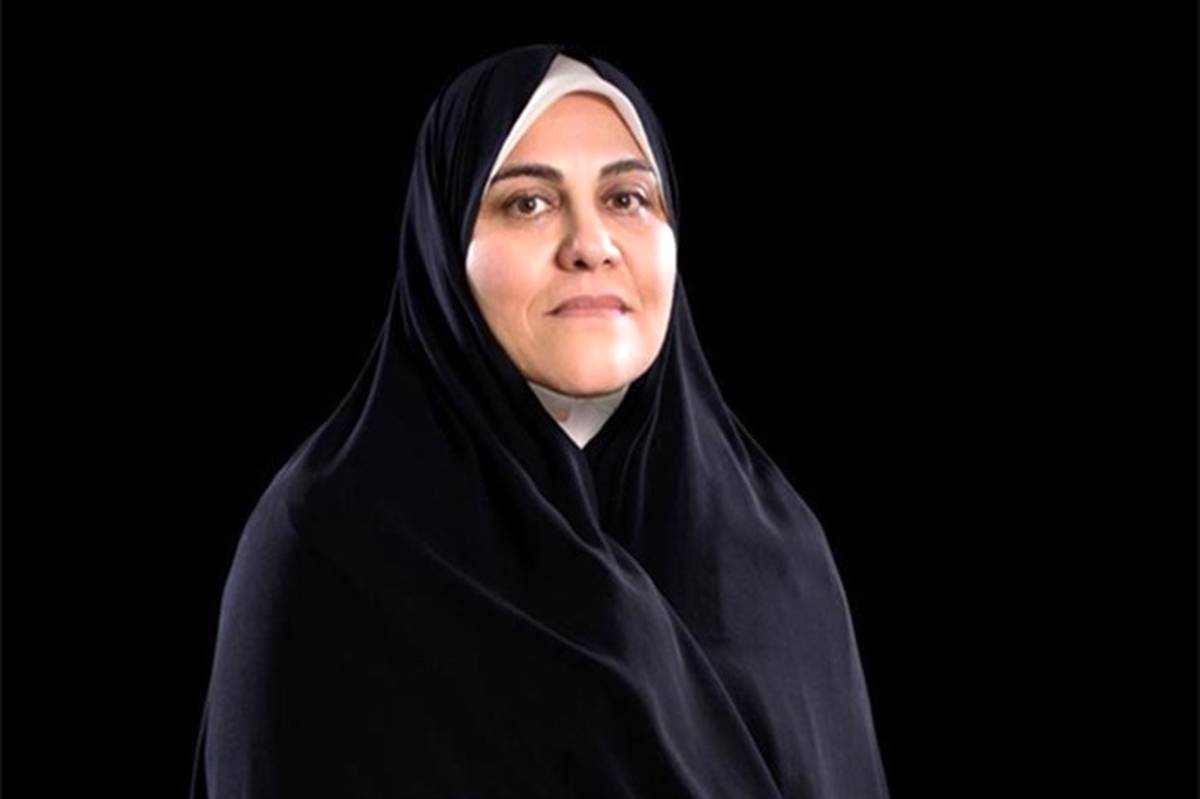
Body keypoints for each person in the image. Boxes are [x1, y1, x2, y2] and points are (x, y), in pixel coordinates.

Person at [189, 42, 891, 798]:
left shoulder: (777, 553)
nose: (591, 246)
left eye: (627, 198)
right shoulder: (332, 543)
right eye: (528, 203)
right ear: (445, 246)